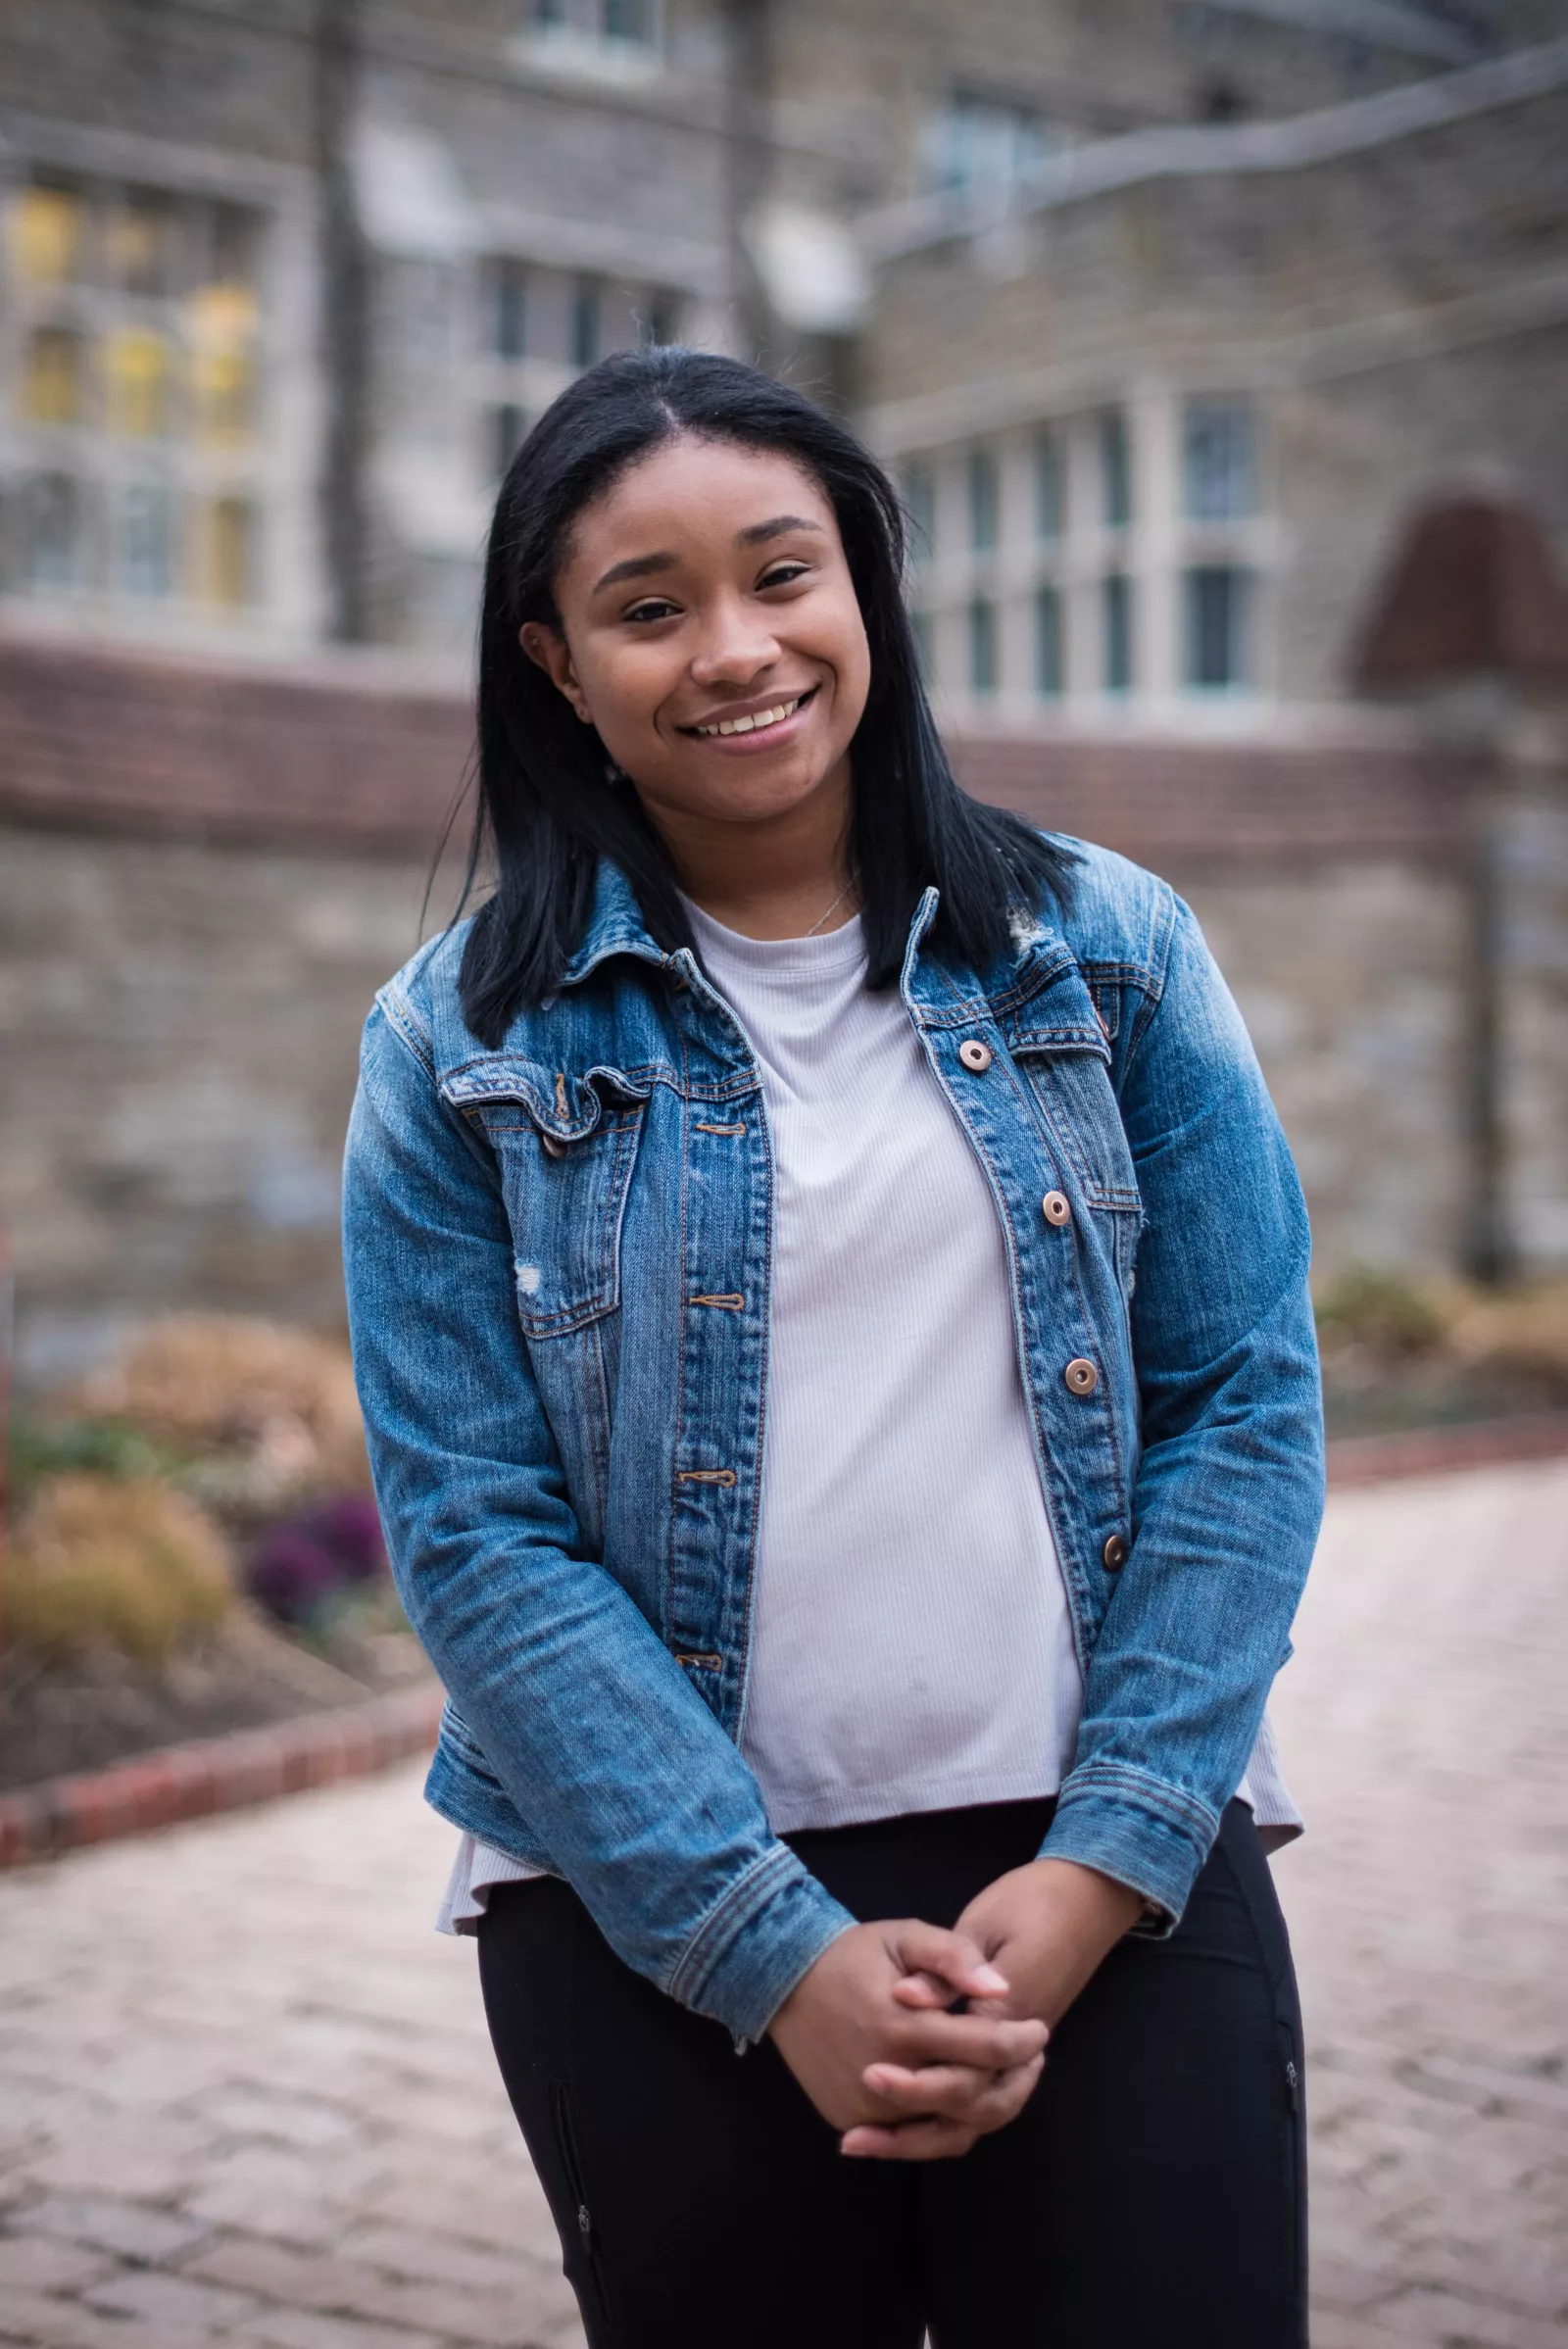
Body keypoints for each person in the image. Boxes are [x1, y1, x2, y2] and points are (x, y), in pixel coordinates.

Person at [342, 347, 1324, 2348]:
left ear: (864, 586)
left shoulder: (1105, 949)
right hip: (649, 1900)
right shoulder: (455, 1048)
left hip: (1105, 1856)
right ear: (553, 661)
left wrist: (1097, 1868)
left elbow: (1243, 1403)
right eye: (647, 606)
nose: (734, 649)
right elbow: (475, 1533)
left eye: (780, 573)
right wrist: (768, 1951)